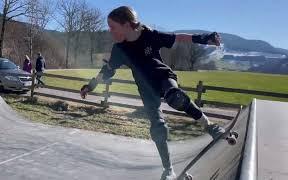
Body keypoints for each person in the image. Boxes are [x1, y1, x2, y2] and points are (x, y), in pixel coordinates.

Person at [80, 6, 224, 180]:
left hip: (164, 77)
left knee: (175, 97)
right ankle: (168, 169)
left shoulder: (150, 35)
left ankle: (210, 126)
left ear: (126, 25)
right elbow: (107, 70)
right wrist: (90, 86)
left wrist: (204, 38)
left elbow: (178, 38)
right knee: (157, 128)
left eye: (112, 27)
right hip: (146, 89)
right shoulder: (119, 49)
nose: (110, 32)